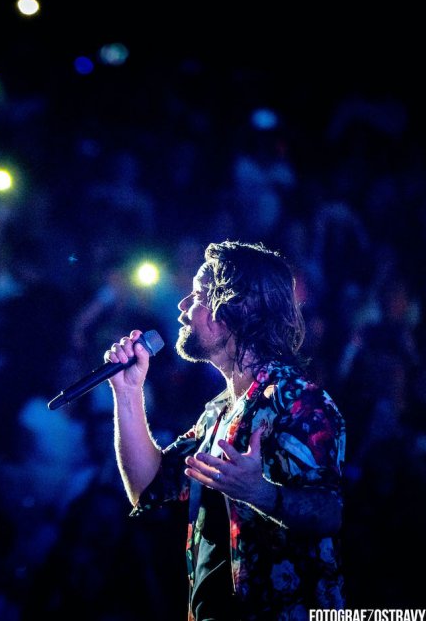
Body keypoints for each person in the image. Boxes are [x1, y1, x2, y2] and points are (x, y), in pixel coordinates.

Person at [107, 240, 345, 620]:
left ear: (238, 309)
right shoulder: (218, 412)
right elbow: (147, 487)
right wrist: (128, 392)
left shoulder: (299, 401)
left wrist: (260, 492)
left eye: (198, 295)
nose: (183, 308)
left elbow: (329, 511)